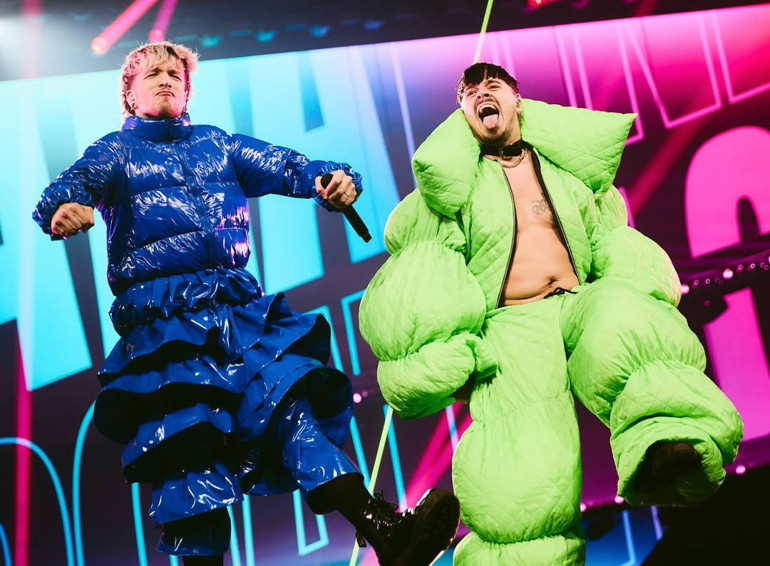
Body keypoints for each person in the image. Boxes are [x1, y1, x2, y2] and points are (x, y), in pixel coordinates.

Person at [32, 41, 460, 566]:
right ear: (130, 93)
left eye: (175, 74)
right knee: (189, 462)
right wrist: (64, 207)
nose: (165, 79)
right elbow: (70, 185)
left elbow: (288, 165)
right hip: (166, 333)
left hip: (237, 318)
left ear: (187, 91)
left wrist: (331, 177)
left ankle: (384, 529)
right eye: (153, 73)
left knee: (289, 409)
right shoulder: (114, 152)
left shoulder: (219, 144)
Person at [358, 62, 743, 565]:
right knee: (524, 475)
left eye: (492, 86)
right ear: (463, 113)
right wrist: (445, 355)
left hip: (576, 299)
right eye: (468, 93)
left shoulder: (568, 173)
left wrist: (643, 286)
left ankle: (666, 443)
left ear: (517, 100)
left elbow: (607, 238)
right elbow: (428, 268)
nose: (480, 94)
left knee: (622, 314)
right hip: (510, 327)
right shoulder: (455, 192)